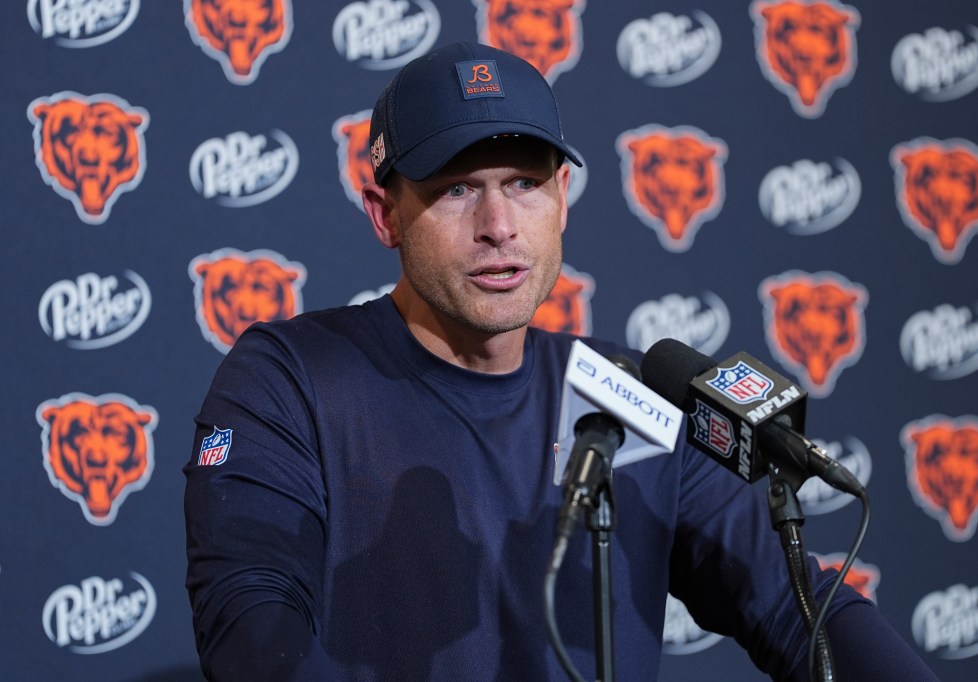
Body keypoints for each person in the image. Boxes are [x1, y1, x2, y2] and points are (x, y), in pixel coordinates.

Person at [183, 41, 937, 681]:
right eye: (456, 190)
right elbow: (251, 622)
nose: (499, 225)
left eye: (525, 183)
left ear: (564, 196)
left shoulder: (630, 395)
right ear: (386, 215)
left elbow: (794, 608)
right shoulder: (290, 380)